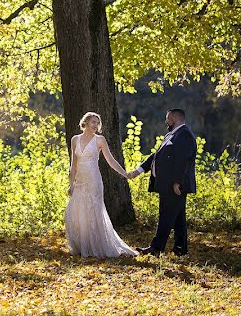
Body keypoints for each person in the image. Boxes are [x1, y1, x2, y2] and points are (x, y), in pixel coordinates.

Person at [65, 112, 137, 257]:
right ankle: (82, 246)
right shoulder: (75, 140)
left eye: (97, 123)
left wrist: (125, 173)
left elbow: (110, 160)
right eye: (93, 122)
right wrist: (71, 184)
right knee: (77, 211)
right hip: (80, 181)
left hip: (94, 180)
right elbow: (74, 165)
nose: (95, 125)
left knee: (93, 212)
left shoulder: (100, 140)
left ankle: (96, 246)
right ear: (85, 122)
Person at [127, 108, 197, 256]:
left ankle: (156, 248)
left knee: (165, 215)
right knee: (178, 217)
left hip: (175, 185)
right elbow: (156, 155)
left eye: (167, 118)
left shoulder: (184, 135)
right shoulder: (171, 135)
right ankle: (180, 249)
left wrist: (177, 182)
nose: (166, 121)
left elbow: (182, 160)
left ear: (173, 118)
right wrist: (138, 171)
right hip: (167, 183)